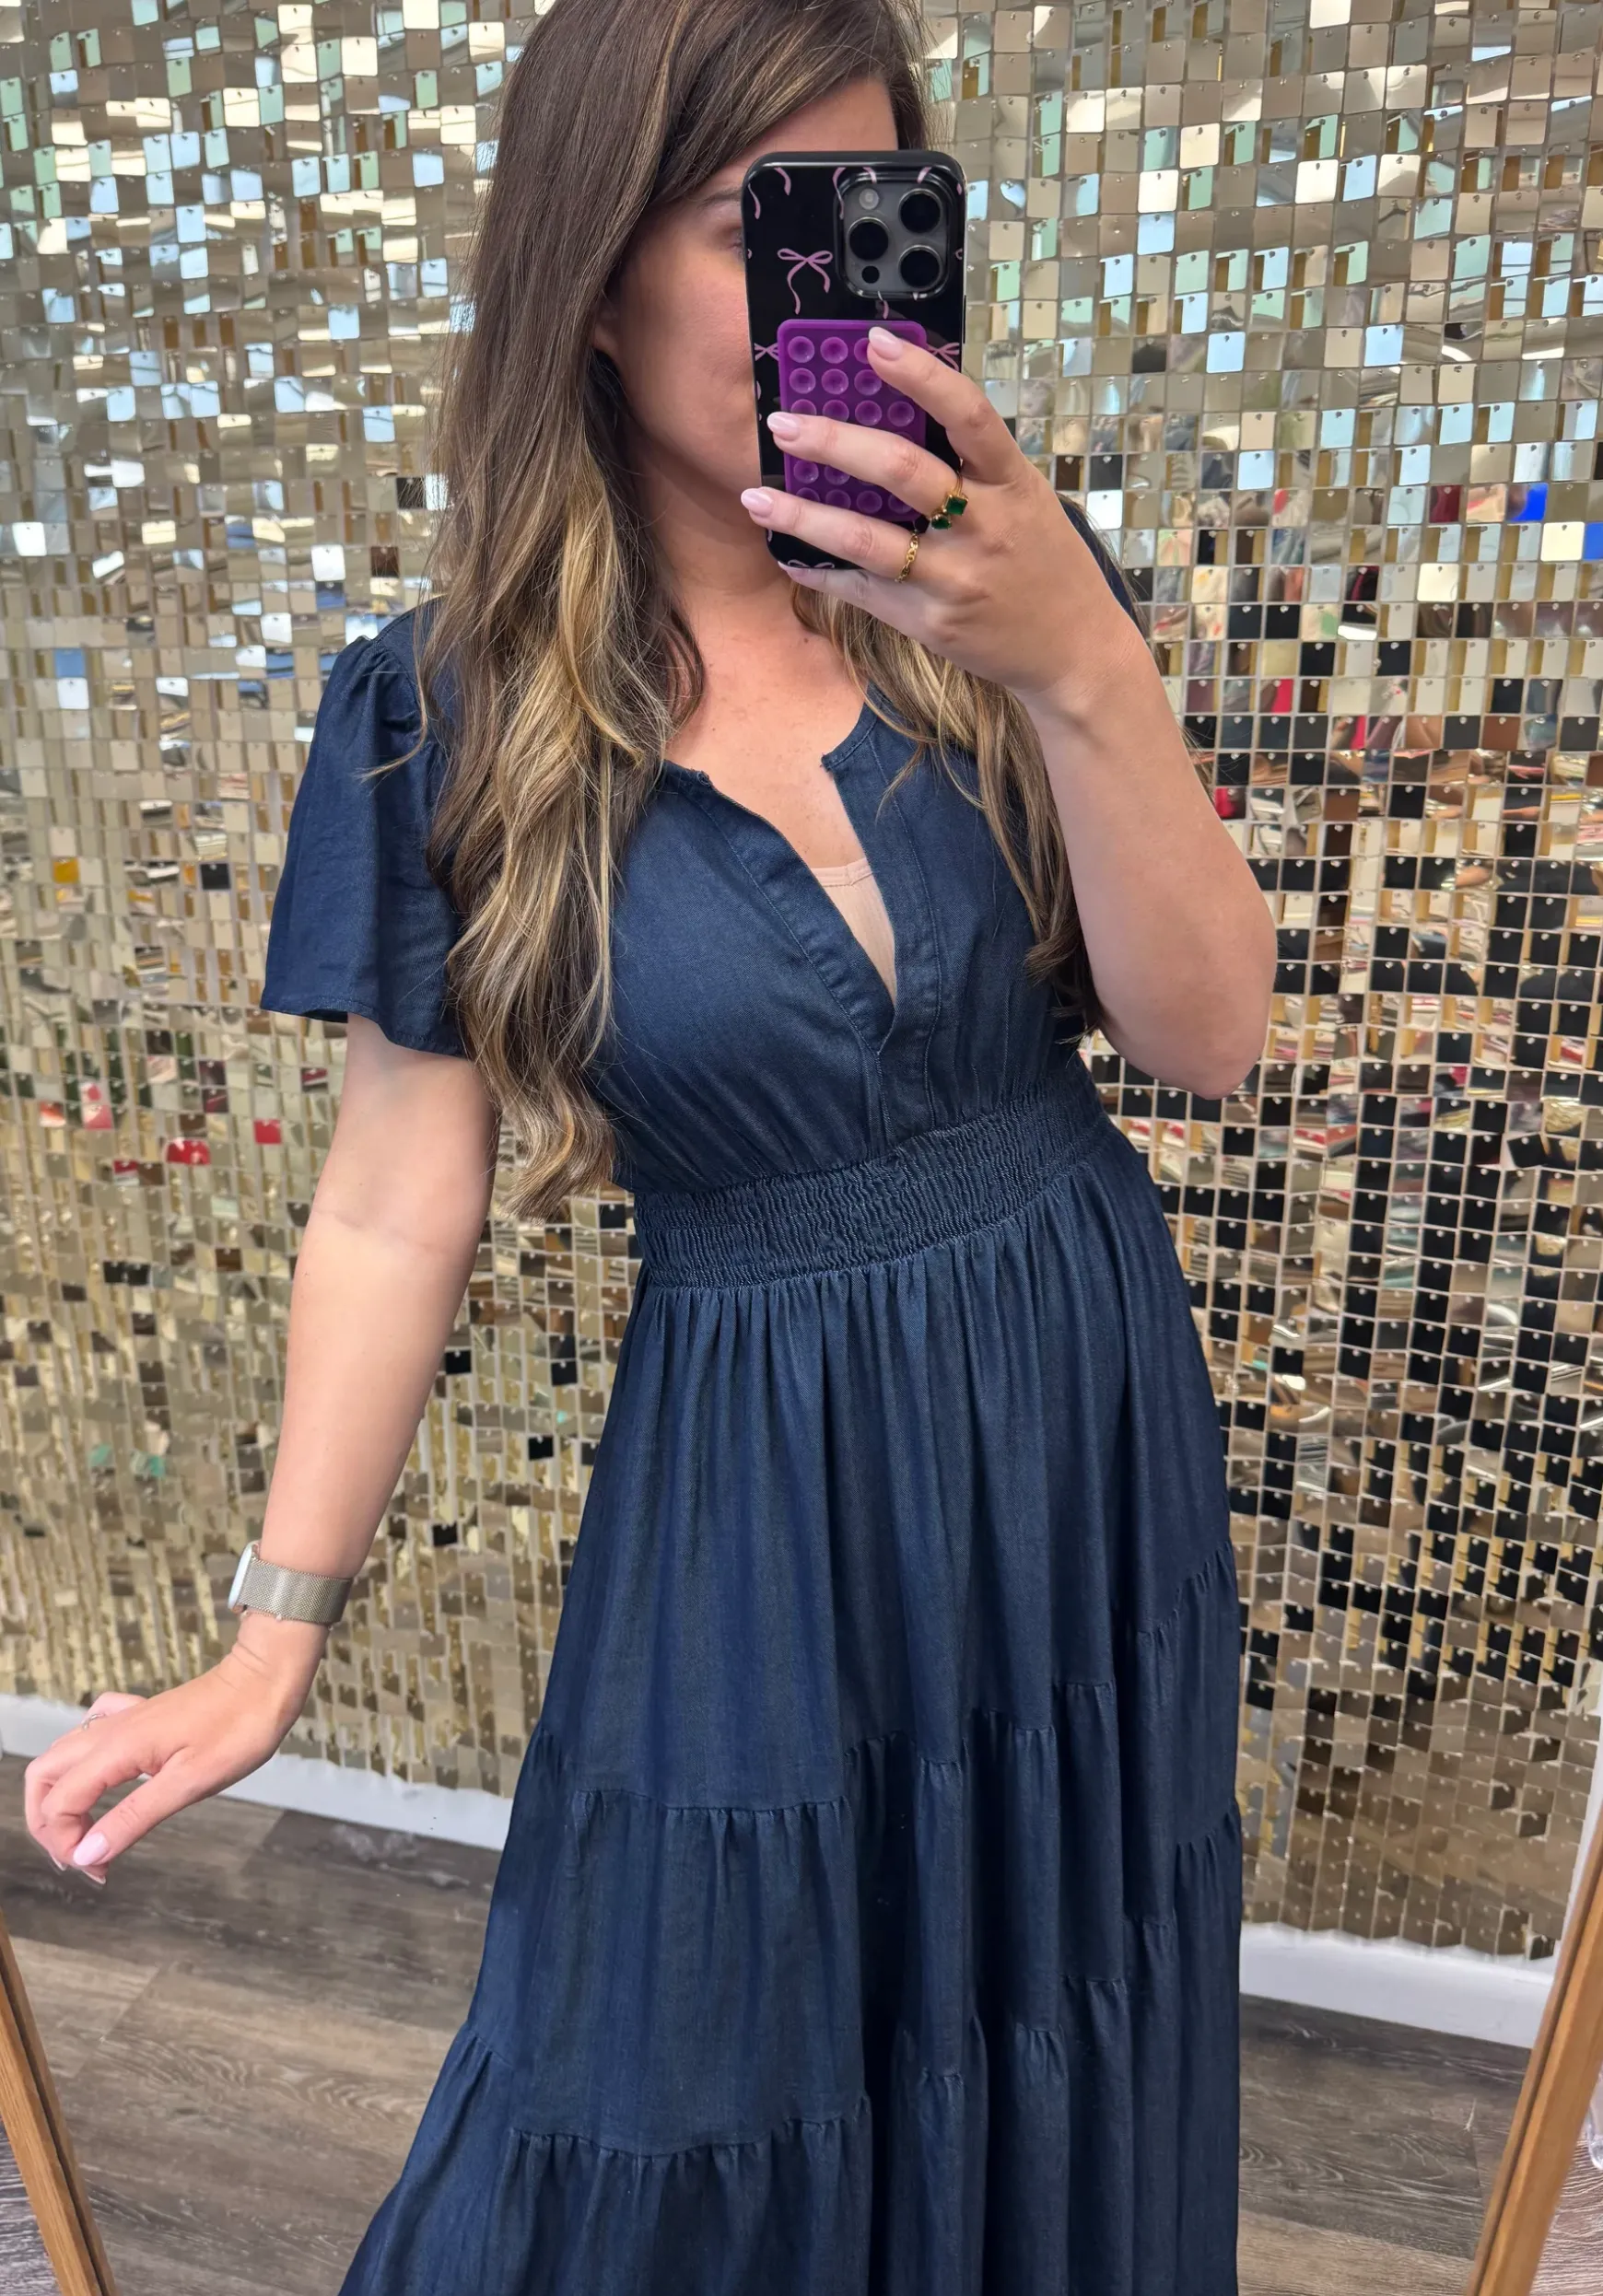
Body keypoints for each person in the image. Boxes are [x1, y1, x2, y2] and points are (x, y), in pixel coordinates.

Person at [25, 1, 1277, 2288]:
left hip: (1075, 1419)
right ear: (593, 279)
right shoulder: (444, 711)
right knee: (655, 2071)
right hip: (762, 1480)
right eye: (747, 225)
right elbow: (395, 1199)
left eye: (868, 213)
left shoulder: (1010, 593)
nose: (827, 294)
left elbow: (1209, 1039)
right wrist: (269, 1639)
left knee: (1055, 1999)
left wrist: (1081, 660)